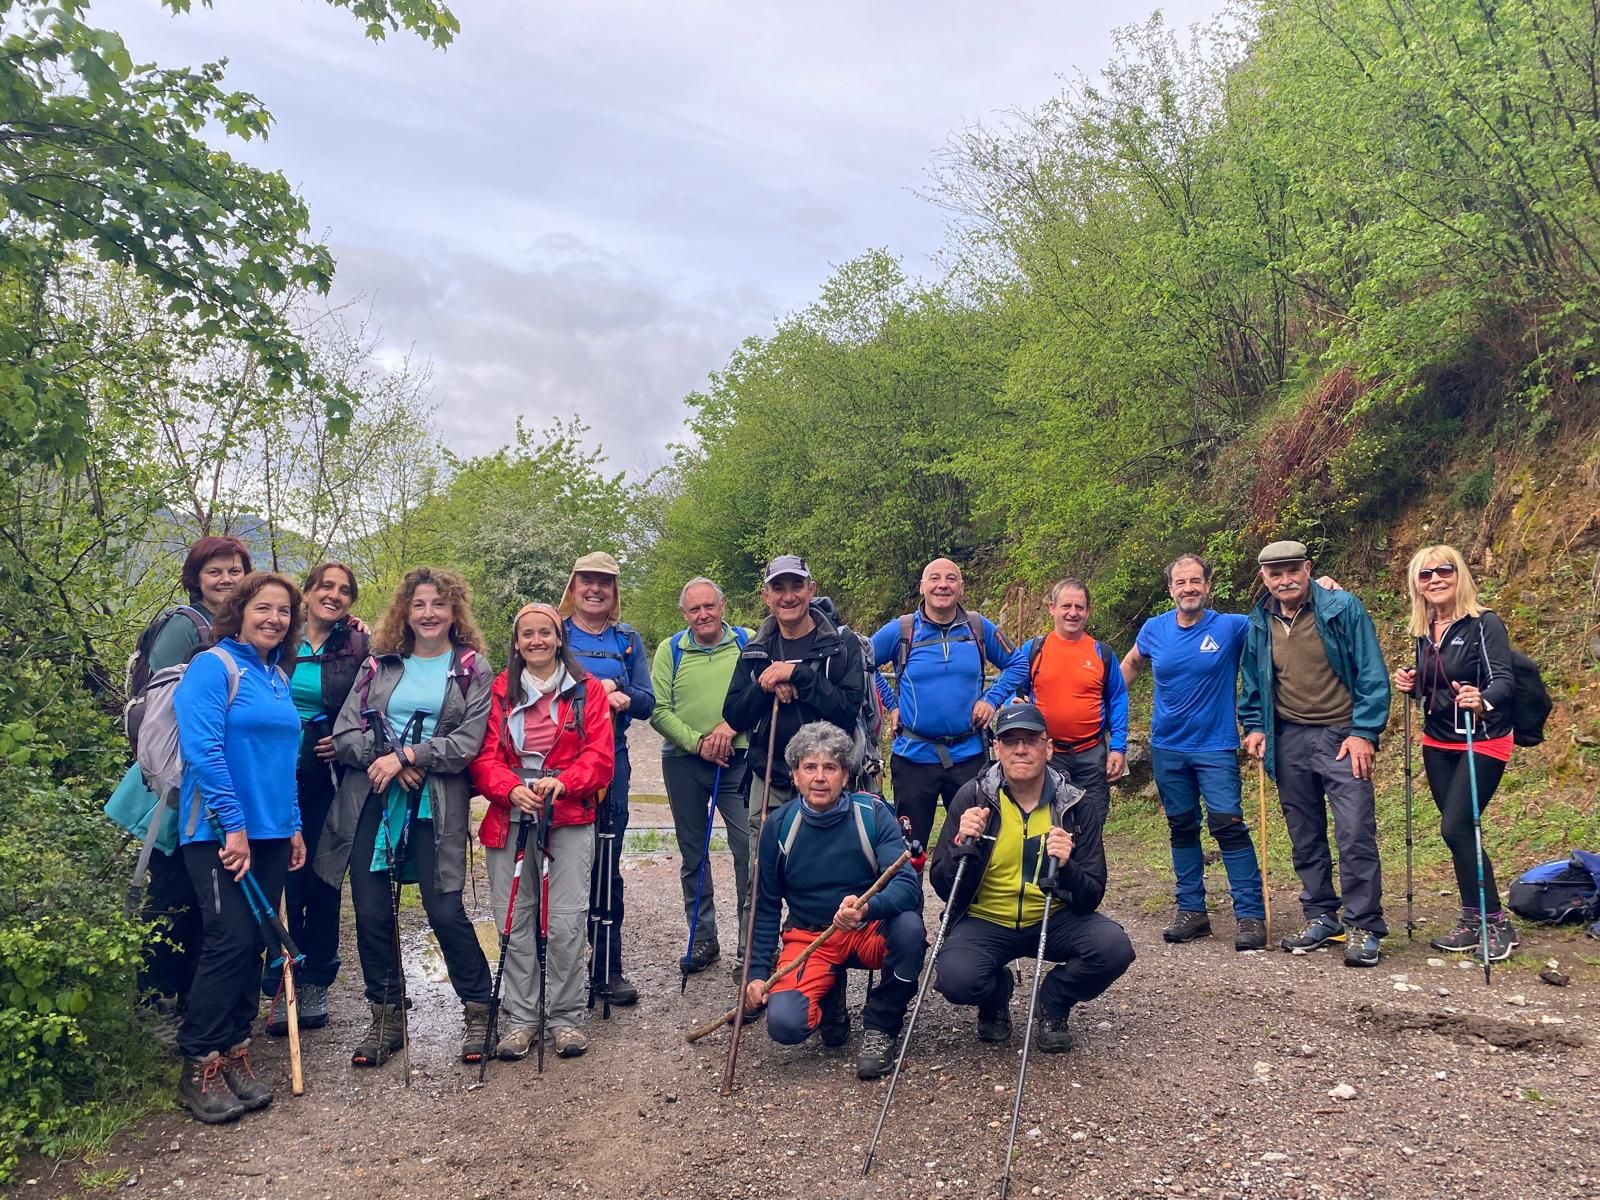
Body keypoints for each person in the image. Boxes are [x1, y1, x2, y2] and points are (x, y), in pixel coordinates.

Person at [316, 566, 495, 1067]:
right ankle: (386, 1016)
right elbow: (345, 733)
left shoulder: (470, 668)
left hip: (435, 802)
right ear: (406, 611)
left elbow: (467, 743)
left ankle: (480, 1008)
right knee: (373, 913)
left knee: (444, 910)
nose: (429, 613)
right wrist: (391, 761)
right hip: (371, 798)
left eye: (438, 604)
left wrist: (413, 757)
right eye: (419, 604)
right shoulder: (379, 664)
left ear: (454, 609)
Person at [170, 571, 305, 1122]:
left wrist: (293, 824)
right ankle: (199, 1061)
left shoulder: (275, 675)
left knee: (253, 943)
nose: (274, 619)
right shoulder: (213, 667)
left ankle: (234, 1053)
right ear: (240, 610)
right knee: (227, 940)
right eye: (263, 608)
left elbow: (283, 761)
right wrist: (233, 825)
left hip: (271, 833)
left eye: (283, 612)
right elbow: (202, 750)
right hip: (218, 832)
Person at [108, 534, 254, 1035]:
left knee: (203, 896)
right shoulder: (183, 625)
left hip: (217, 779)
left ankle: (194, 998)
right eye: (216, 571)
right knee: (171, 891)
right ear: (196, 578)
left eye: (236, 570)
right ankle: (155, 1003)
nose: (227, 579)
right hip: (177, 784)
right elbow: (162, 713)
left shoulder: (236, 629)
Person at [930, 704, 1134, 1050]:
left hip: (1054, 918)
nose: (1020, 749)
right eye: (1010, 741)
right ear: (997, 749)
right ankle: (995, 996)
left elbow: (1092, 894)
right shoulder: (973, 797)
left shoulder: (1075, 805)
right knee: (955, 978)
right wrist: (961, 846)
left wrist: (1067, 867)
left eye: (1030, 740)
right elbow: (941, 882)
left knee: (1112, 948)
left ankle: (1053, 1001)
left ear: (1048, 747)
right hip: (987, 919)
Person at [469, 603, 613, 1059]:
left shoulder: (586, 690)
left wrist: (565, 782)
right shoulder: (498, 691)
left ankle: (566, 1017)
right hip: (509, 817)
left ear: (558, 638)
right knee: (515, 917)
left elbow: (600, 756)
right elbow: (483, 757)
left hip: (568, 816)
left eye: (545, 633)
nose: (536, 641)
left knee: (567, 920)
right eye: (527, 634)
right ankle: (521, 1018)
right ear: (516, 642)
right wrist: (509, 789)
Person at [742, 721, 924, 1080]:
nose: (820, 777)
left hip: (867, 928)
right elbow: (764, 907)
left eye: (830, 767)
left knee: (909, 929)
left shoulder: (872, 816)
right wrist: (757, 973)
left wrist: (867, 908)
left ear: (845, 775)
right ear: (794, 776)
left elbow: (907, 885)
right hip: (811, 938)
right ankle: (830, 1001)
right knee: (785, 1025)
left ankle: (881, 1028)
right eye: (810, 767)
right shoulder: (778, 827)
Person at [1239, 540, 1391, 966]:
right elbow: (1252, 680)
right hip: (1288, 737)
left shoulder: (1342, 609)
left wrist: (1364, 731)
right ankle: (1323, 914)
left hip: (1342, 736)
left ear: (1307, 568)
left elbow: (1371, 672)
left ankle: (1364, 924)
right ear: (1264, 578)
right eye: (1275, 573)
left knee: (1354, 830)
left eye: (1292, 570)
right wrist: (1253, 725)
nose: (1284, 579)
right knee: (1304, 834)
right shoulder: (1259, 621)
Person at [1121, 553, 1267, 951]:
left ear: (1208, 585)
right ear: (1171, 589)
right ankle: (1192, 912)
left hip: (1215, 746)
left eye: (1195, 581)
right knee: (1182, 826)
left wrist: (1323, 592)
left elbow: (1277, 617)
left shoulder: (1230, 627)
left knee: (1228, 824)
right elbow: (1131, 664)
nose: (1189, 588)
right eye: (1181, 582)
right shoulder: (1154, 629)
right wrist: (1103, 705)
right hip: (1167, 747)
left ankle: (1251, 916)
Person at [1392, 545, 1521, 961]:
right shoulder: (1424, 632)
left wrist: (1482, 700)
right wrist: (1412, 686)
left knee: (1456, 827)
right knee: (1459, 832)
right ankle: (1473, 919)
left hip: (1482, 740)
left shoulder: (1484, 623)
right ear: (1417, 585)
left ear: (1458, 574)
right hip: (1438, 741)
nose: (1435, 580)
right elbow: (1433, 688)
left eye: (1443, 571)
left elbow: (1504, 679)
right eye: (1425, 575)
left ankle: (1496, 922)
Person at [262, 562, 369, 1034]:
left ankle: (316, 978)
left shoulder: (358, 644)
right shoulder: (277, 635)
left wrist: (344, 739)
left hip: (326, 774)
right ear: (306, 592)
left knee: (322, 875)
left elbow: (375, 706)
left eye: (344, 590)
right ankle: (278, 969)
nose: (334, 595)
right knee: (275, 872)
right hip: (271, 771)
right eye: (326, 586)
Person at [869, 557, 1016, 851]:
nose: (943, 585)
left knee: (973, 844)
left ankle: (965, 898)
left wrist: (992, 699)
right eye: (934, 578)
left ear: (961, 588)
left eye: (951, 579)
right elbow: (861, 662)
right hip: (913, 757)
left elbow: (1018, 663)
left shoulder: (978, 627)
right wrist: (890, 703)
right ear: (922, 587)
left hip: (968, 755)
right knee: (909, 848)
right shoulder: (902, 630)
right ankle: (910, 897)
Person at [559, 551, 654, 1007]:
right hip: (555, 764)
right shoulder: (553, 633)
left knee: (605, 865)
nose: (595, 589)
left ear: (614, 592)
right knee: (554, 865)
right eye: (587, 581)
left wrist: (622, 695)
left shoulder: (628, 640)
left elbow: (647, 702)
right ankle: (556, 969)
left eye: (605, 583)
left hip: (610, 764)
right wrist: (599, 690)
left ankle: (607, 969)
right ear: (573, 588)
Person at [649, 577, 754, 975]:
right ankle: (703, 938)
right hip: (683, 761)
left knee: (748, 846)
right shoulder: (670, 650)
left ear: (723, 605)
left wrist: (730, 729)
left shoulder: (746, 641)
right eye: (694, 609)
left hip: (739, 759)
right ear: (684, 614)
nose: (703, 615)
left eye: (709, 606)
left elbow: (758, 696)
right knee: (693, 851)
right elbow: (659, 709)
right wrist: (697, 743)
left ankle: (750, 943)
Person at [723, 555, 866, 812]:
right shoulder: (756, 650)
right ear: (765, 596)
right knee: (765, 853)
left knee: (828, 853)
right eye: (778, 588)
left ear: (811, 589)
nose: (788, 597)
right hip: (769, 782)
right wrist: (765, 686)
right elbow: (734, 716)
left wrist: (797, 675)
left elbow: (846, 712)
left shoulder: (842, 645)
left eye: (796, 586)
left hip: (828, 784)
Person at [1005, 578, 1129, 817]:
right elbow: (1013, 686)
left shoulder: (1102, 653)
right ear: (1052, 608)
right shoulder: (1034, 650)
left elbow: (1118, 698)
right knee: (1047, 822)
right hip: (1046, 754)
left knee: (1092, 822)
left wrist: (1118, 748)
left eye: (1079, 607)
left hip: (1091, 754)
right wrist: (1014, 703)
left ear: (1088, 611)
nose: (1073, 613)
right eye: (1066, 606)